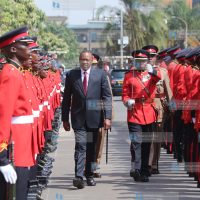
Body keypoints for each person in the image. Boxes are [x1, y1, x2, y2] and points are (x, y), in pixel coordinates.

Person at [62, 50, 112, 189]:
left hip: (94, 119)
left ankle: (89, 175)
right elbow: (66, 98)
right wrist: (65, 118)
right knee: (80, 146)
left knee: (91, 148)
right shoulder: (72, 75)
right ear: (79, 60)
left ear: (92, 61)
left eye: (87, 60)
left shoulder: (100, 74)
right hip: (78, 119)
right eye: (82, 59)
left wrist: (107, 117)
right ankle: (78, 177)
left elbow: (107, 96)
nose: (85, 62)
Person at [0, 26, 35, 200]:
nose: (29, 50)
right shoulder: (10, 74)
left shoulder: (16, 72)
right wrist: (2, 158)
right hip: (14, 145)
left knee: (22, 191)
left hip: (22, 144)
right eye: (25, 45)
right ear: (13, 49)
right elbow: (3, 116)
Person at [122, 49, 161, 182]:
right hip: (134, 113)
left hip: (149, 112)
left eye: (143, 61)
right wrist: (127, 101)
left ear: (147, 62)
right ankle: (137, 169)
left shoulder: (151, 74)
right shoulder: (129, 75)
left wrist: (152, 71)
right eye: (138, 61)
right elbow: (125, 94)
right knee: (136, 142)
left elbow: (159, 78)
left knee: (146, 143)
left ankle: (145, 170)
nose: (140, 64)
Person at [142, 45, 173, 175]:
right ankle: (145, 163)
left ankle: (153, 163)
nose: (150, 59)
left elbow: (168, 91)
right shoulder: (140, 72)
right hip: (144, 108)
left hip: (158, 107)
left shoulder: (163, 72)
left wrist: (173, 108)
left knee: (156, 137)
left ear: (156, 57)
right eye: (148, 57)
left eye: (152, 56)